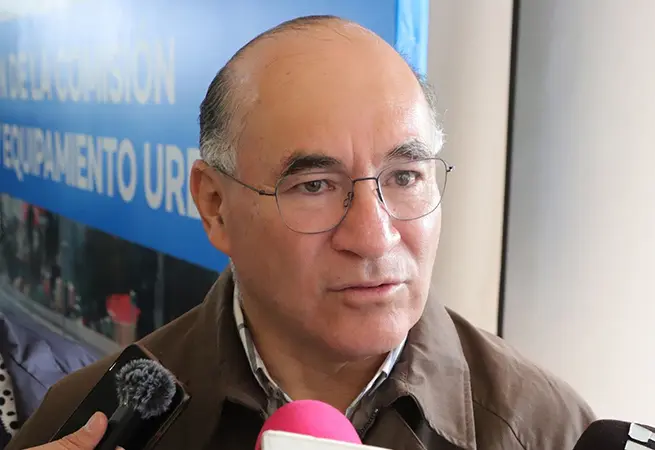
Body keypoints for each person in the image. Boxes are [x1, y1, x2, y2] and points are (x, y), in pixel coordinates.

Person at [8, 15, 595, 450]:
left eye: (405, 176)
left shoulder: (547, 430)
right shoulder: (86, 424)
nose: (374, 237)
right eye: (314, 185)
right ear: (215, 206)